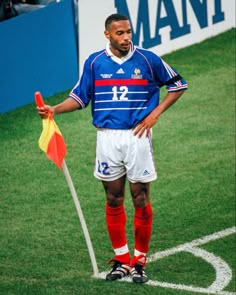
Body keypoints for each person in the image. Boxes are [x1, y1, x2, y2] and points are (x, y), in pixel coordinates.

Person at [37, 13, 188, 283]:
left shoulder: (147, 59)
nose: (126, 37)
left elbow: (178, 85)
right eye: (120, 33)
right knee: (113, 198)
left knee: (140, 197)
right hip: (106, 138)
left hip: (137, 137)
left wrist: (156, 114)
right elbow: (80, 97)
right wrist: (55, 110)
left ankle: (139, 260)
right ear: (107, 34)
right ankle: (121, 259)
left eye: (128, 32)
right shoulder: (95, 62)